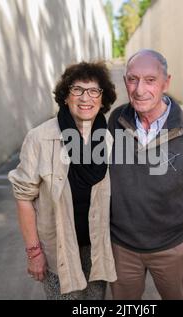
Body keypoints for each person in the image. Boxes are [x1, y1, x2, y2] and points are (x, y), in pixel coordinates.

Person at [108, 49, 183, 300]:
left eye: (150, 80)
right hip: (122, 248)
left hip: (172, 248)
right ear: (125, 81)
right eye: (132, 79)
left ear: (166, 82)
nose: (139, 89)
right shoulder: (116, 120)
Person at [8, 61, 117, 299]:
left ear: (102, 98)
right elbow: (23, 197)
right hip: (58, 249)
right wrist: (34, 253)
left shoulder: (108, 140)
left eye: (93, 91)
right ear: (66, 96)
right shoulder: (40, 138)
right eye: (77, 90)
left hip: (97, 247)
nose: (85, 97)